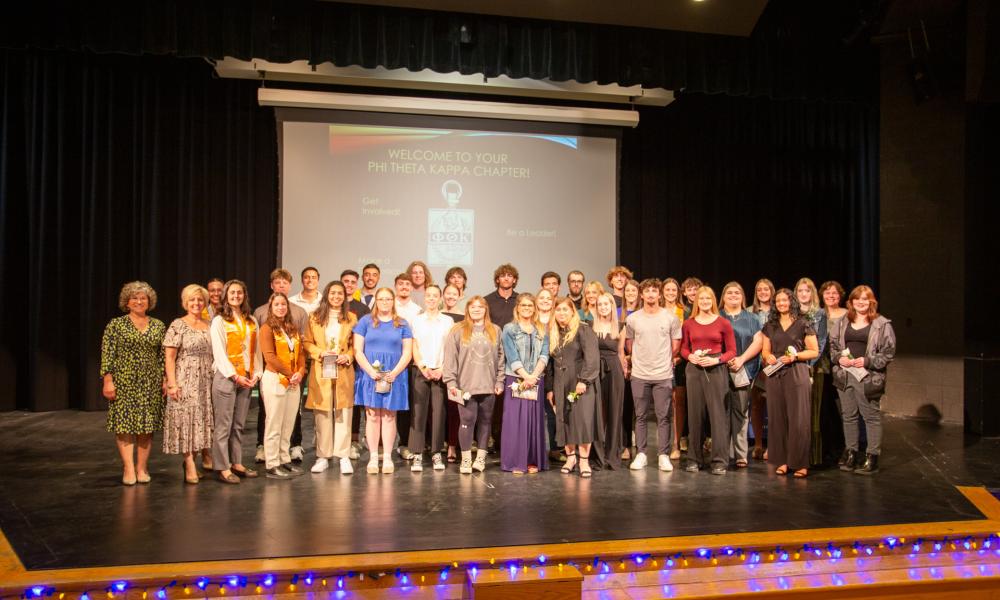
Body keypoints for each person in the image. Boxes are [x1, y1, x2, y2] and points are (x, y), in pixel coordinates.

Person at [101, 281, 166, 486]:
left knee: (146, 427)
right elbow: (107, 355)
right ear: (127, 302)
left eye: (143, 298)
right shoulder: (116, 325)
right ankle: (128, 467)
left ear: (149, 302)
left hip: (151, 382)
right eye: (135, 298)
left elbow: (163, 356)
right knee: (125, 426)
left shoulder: (158, 325)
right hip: (124, 381)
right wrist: (108, 381)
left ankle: (142, 467)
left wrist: (165, 379)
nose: (139, 301)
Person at [830, 286, 896, 475]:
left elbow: (888, 353)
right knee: (848, 416)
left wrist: (867, 361)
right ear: (851, 302)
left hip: (868, 377)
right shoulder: (843, 322)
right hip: (845, 375)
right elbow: (833, 346)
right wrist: (838, 359)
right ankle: (851, 452)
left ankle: (872, 456)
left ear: (872, 302)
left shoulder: (882, 324)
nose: (861, 302)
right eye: (857, 299)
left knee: (871, 416)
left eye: (865, 299)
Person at [760, 288, 819, 478]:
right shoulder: (771, 325)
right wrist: (768, 357)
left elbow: (814, 351)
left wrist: (795, 357)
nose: (781, 304)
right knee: (777, 418)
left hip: (796, 372)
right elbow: (765, 351)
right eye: (778, 301)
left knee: (798, 419)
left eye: (785, 300)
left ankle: (800, 462)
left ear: (791, 301)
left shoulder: (803, 323)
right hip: (775, 374)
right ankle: (782, 460)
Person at [353, 287, 413, 474]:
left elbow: (407, 352)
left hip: (393, 376)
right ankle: (373, 457)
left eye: (388, 299)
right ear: (376, 301)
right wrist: (370, 371)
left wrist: (394, 373)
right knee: (372, 416)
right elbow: (357, 350)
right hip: (371, 375)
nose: (384, 302)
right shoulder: (365, 322)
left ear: (393, 301)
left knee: (389, 416)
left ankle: (387, 457)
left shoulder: (402, 324)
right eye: (381, 299)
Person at [443, 296, 505, 474]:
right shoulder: (458, 330)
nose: (477, 309)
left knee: (486, 422)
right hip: (465, 387)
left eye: (480, 307)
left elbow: (501, 357)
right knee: (467, 421)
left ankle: (480, 459)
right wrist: (451, 383)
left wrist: (500, 380)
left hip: (488, 386)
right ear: (467, 309)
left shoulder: (495, 330)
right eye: (473, 306)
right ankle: (466, 459)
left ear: (486, 309)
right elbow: (450, 359)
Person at [625, 278, 682, 471]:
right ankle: (641, 454)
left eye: (654, 291)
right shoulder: (633, 318)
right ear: (641, 294)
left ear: (659, 294)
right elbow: (629, 345)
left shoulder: (670, 317)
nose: (650, 294)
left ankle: (663, 455)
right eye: (647, 291)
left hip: (663, 374)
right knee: (640, 416)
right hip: (640, 374)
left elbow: (675, 346)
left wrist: (662, 361)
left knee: (663, 416)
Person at [680, 286, 738, 475]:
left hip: (716, 369)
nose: (704, 301)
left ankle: (719, 460)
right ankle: (694, 459)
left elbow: (732, 351)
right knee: (695, 415)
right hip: (694, 371)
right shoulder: (689, 323)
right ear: (696, 301)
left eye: (708, 298)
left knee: (718, 415)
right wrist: (690, 357)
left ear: (713, 300)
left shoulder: (723, 323)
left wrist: (717, 359)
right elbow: (683, 349)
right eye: (701, 298)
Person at [209, 279, 262, 484]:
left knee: (238, 424)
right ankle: (222, 467)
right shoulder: (219, 321)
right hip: (226, 377)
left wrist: (257, 373)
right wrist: (234, 375)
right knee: (223, 425)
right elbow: (219, 353)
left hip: (246, 378)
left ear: (244, 295)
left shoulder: (251, 320)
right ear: (225, 295)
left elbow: (255, 351)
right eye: (232, 293)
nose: (236, 296)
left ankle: (236, 462)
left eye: (239, 293)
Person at [254, 269, 308, 464]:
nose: (281, 307)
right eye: (276, 304)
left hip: (293, 381)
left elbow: (301, 353)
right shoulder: (267, 327)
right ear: (271, 306)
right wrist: (291, 373)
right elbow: (270, 357)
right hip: (275, 379)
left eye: (283, 304)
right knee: (274, 424)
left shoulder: (291, 327)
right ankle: (272, 462)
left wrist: (300, 372)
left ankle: (284, 459)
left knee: (288, 424)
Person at [303, 281, 358, 475]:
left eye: (340, 294)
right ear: (326, 295)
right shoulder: (315, 317)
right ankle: (322, 456)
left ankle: (343, 455)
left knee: (343, 412)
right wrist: (320, 353)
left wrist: (349, 356)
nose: (336, 296)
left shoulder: (351, 318)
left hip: (343, 370)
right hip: (322, 371)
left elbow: (355, 345)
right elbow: (307, 343)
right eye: (333, 293)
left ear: (345, 297)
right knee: (322, 412)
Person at [163, 284, 215, 484]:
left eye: (200, 300)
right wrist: (172, 384)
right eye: (192, 300)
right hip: (185, 378)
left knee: (200, 421)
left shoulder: (210, 324)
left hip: (207, 380)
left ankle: (193, 459)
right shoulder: (178, 324)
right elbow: (169, 357)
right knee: (186, 420)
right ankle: (189, 463)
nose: (196, 303)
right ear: (185, 302)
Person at [549, 296, 602, 477]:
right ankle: (571, 458)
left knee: (583, 421)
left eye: (565, 309)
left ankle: (584, 461)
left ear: (573, 311)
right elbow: (550, 363)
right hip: (560, 382)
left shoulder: (583, 329)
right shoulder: (554, 332)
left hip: (580, 382)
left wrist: (584, 380)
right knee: (564, 420)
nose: (561, 313)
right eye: (558, 310)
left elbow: (592, 358)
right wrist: (550, 388)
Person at [500, 293, 550, 474]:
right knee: (516, 422)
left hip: (536, 379)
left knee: (533, 421)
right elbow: (511, 355)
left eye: (530, 305)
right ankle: (515, 462)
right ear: (518, 308)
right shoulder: (509, 329)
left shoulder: (542, 329)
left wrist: (533, 376)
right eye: (524, 305)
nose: (527, 308)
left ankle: (531, 460)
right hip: (516, 378)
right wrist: (525, 376)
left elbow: (545, 355)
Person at [409, 285, 454, 472]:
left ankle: (436, 452)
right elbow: (414, 346)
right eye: (429, 295)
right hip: (422, 370)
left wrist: (442, 369)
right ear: (424, 297)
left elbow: (451, 349)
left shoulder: (448, 321)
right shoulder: (417, 320)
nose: (432, 298)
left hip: (441, 372)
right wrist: (423, 366)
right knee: (418, 413)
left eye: (435, 296)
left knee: (439, 413)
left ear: (440, 298)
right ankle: (417, 454)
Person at [719, 282, 763, 469]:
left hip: (743, 369)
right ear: (723, 296)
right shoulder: (717, 316)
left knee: (741, 412)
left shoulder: (752, 318)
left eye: (737, 292)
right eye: (729, 292)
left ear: (743, 296)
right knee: (721, 412)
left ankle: (740, 454)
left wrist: (741, 359)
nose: (733, 295)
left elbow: (758, 341)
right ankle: (722, 453)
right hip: (719, 369)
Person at [794, 277, 828, 466]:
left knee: (812, 413)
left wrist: (809, 362)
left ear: (812, 293)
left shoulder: (820, 313)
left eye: (807, 290)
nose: (804, 294)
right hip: (794, 366)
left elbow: (821, 341)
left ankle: (812, 457)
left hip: (814, 367)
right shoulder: (792, 312)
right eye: (800, 291)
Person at [593, 293, 626, 469]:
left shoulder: (620, 326)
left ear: (612, 305)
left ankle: (612, 457)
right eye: (600, 304)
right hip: (596, 371)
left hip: (614, 371)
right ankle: (597, 457)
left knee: (614, 414)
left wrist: (624, 371)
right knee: (597, 414)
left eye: (606, 304)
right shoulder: (590, 326)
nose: (603, 307)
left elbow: (621, 353)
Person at [817, 280, 848, 464]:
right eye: (827, 293)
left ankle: (845, 448)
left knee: (843, 409)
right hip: (822, 367)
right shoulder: (818, 314)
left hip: (841, 367)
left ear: (840, 295)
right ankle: (827, 448)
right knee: (825, 410)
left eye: (834, 293)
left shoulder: (846, 314)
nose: (831, 296)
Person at [749, 278, 776, 460]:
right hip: (755, 364)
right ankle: (758, 444)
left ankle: (772, 445)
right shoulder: (750, 312)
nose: (763, 292)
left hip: (774, 362)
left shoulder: (779, 311)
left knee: (774, 407)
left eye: (766, 289)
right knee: (756, 405)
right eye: (759, 290)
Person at [661, 278, 686, 460]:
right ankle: (663, 444)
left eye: (673, 290)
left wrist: (677, 358)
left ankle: (676, 444)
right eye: (667, 290)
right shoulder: (657, 311)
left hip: (679, 363)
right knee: (664, 406)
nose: (670, 293)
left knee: (678, 404)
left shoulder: (684, 312)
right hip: (659, 363)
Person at [535, 288, 560, 462]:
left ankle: (555, 448)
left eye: (548, 298)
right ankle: (536, 449)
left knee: (552, 412)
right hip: (533, 372)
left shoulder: (556, 321)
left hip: (553, 371)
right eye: (541, 298)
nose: (545, 301)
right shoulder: (531, 320)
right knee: (534, 413)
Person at [484, 263, 519, 327]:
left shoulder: (520, 299)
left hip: (514, 336)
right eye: (502, 276)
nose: (506, 278)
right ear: (497, 280)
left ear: (514, 280)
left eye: (509, 276)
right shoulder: (487, 300)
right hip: (494, 336)